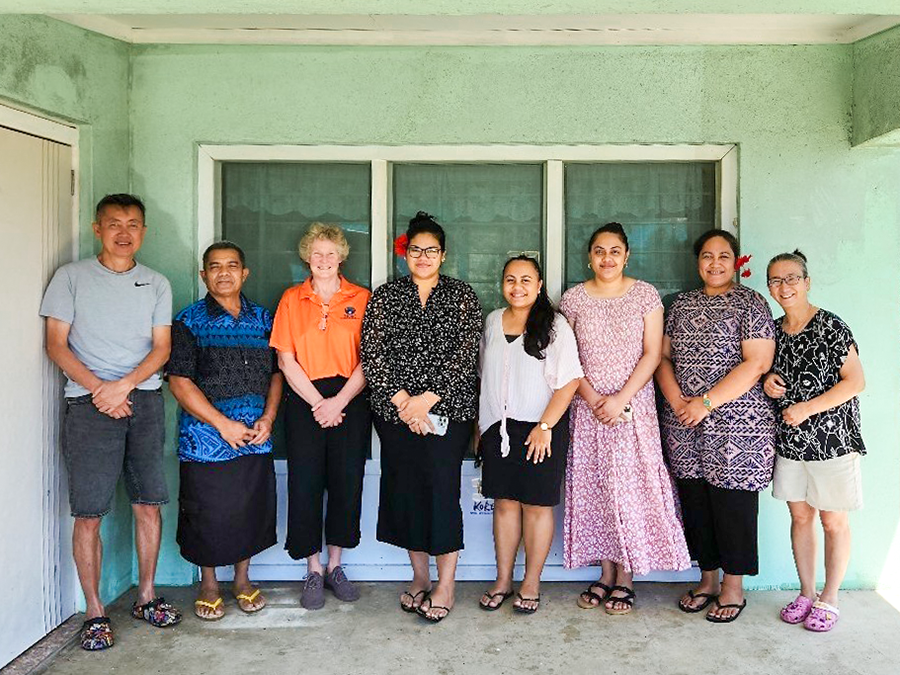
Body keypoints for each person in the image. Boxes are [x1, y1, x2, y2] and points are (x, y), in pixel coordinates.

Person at [40, 194, 181, 651]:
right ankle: (95, 611)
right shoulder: (71, 277)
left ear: (144, 232)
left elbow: (162, 348)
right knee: (89, 513)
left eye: (133, 224)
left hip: (144, 400)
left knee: (149, 503)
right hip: (88, 405)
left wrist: (123, 387)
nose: (124, 232)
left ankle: (146, 596)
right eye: (115, 223)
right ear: (97, 228)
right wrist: (102, 390)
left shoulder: (156, 283)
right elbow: (56, 344)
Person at [560, 223, 691, 616]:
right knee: (598, 488)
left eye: (615, 251)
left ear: (627, 255)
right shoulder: (573, 299)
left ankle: (627, 577)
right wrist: (593, 399)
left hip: (633, 409)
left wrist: (620, 399)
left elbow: (653, 354)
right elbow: (567, 357)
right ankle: (605, 573)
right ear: (589, 257)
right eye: (599, 251)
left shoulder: (645, 295)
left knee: (630, 490)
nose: (607, 258)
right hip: (588, 409)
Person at [360, 211, 482, 623]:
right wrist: (404, 403)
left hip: (449, 410)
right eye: (416, 250)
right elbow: (373, 354)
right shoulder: (386, 296)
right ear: (405, 254)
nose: (424, 257)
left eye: (432, 251)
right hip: (395, 414)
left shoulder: (461, 295)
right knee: (406, 489)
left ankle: (445, 584)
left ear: (443, 255)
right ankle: (419, 576)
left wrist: (424, 401)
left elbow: (465, 355)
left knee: (441, 491)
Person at [656, 229, 776, 623]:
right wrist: (678, 402)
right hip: (684, 421)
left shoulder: (751, 303)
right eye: (707, 256)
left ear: (735, 262)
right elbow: (662, 358)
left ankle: (733, 588)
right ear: (698, 262)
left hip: (738, 424)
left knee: (732, 503)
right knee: (695, 500)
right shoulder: (681, 305)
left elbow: (757, 362)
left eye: (724, 256)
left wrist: (706, 403)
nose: (715, 263)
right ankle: (707, 580)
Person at [166, 241, 283, 620]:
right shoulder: (188, 321)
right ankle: (210, 583)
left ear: (244, 273)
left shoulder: (263, 319)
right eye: (215, 266)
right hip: (205, 440)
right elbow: (179, 381)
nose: (224, 273)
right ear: (204, 275)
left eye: (232, 265)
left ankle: (242, 580)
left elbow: (276, 374)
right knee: (207, 513)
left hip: (254, 438)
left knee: (249, 509)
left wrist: (268, 418)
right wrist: (222, 425)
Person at [763, 250, 865, 633]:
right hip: (791, 443)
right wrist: (767, 381)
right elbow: (767, 373)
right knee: (800, 517)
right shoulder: (773, 331)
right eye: (776, 280)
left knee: (833, 521)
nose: (784, 286)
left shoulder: (831, 326)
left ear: (806, 282)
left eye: (791, 278)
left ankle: (830, 597)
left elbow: (856, 382)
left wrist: (807, 408)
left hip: (833, 442)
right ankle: (806, 592)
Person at [270, 223, 371, 609]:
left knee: (346, 482)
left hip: (350, 400)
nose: (324, 259)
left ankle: (335, 566)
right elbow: (285, 359)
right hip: (305, 399)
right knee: (306, 483)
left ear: (342, 256)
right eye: (317, 253)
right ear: (306, 257)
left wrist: (339, 402)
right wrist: (319, 404)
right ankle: (312, 568)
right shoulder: (291, 299)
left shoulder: (361, 297)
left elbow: (370, 359)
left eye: (331, 253)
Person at [477, 256, 582, 614]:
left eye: (525, 280)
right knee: (504, 505)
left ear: (539, 286)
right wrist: (481, 429)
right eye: (510, 279)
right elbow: (485, 376)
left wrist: (545, 427)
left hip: (541, 429)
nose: (517, 287)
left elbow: (569, 381)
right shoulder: (493, 321)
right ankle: (503, 580)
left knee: (536, 507)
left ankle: (531, 583)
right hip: (498, 428)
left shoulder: (555, 325)